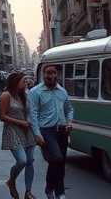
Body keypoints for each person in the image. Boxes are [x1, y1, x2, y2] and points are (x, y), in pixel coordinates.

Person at [29, 65, 73, 199]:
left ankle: (55, 190)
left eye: (53, 73)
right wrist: (37, 134)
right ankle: (54, 190)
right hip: (46, 130)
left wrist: (69, 122)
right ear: (43, 75)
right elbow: (33, 114)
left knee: (60, 162)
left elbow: (69, 109)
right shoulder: (35, 92)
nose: (51, 76)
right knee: (57, 158)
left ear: (57, 74)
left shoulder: (62, 91)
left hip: (62, 129)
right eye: (48, 73)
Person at [0, 72, 36, 199]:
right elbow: (2, 116)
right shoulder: (6, 95)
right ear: (15, 82)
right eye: (23, 81)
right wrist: (20, 122)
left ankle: (28, 192)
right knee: (22, 160)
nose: (26, 83)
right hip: (13, 131)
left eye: (26, 81)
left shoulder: (25, 95)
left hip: (28, 131)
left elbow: (31, 112)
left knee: (30, 161)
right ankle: (11, 181)